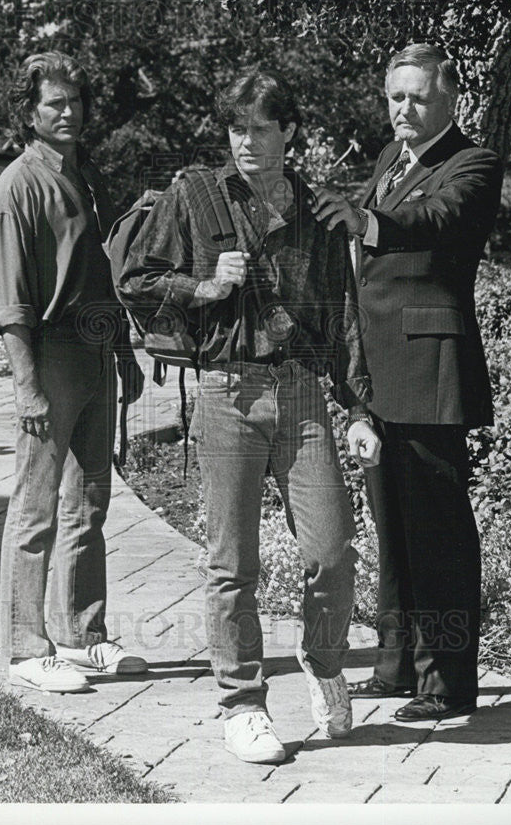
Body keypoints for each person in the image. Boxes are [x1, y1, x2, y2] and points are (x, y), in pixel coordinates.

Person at [115, 68, 378, 763]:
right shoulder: (196, 196)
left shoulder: (319, 215)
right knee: (233, 565)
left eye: (263, 127)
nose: (249, 142)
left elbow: (343, 316)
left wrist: (355, 408)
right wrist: (203, 286)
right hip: (228, 393)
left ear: (289, 132)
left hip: (300, 393)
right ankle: (242, 702)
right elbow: (136, 282)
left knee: (333, 550)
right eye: (238, 128)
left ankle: (322, 662)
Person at [312, 43, 504, 722]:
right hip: (379, 374)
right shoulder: (391, 159)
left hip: (429, 367)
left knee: (438, 532)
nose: (404, 109)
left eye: (418, 96)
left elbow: (435, 221)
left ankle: (446, 683)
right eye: (395, 96)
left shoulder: (472, 164)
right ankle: (396, 666)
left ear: (450, 98)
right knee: (393, 526)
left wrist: (366, 221)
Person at [0, 51, 147, 694]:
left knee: (88, 504)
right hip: (48, 357)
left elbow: (101, 273)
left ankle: (82, 635)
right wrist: (27, 385)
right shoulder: (16, 188)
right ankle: (26, 647)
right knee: (36, 506)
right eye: (54, 103)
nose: (69, 111)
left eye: (75, 100)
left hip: (96, 353)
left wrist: (124, 352)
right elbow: (10, 302)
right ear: (30, 112)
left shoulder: (88, 176)